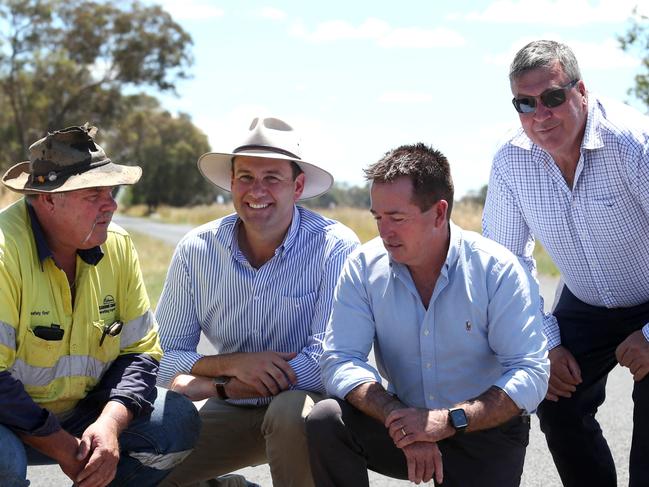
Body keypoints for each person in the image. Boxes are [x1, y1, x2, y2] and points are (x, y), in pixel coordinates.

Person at [306, 143, 549, 487]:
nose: (384, 231)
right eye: (378, 217)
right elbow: (340, 359)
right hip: (403, 424)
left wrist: (448, 420)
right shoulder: (363, 267)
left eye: (397, 218)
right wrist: (396, 415)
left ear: (439, 213)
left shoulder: (497, 270)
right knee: (326, 420)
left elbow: (530, 372)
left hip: (481, 430)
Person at [156, 116, 359, 487]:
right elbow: (163, 359)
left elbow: (327, 363)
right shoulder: (196, 250)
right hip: (229, 407)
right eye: (246, 177)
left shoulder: (335, 247)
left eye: (272, 178)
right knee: (140, 471)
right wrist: (233, 369)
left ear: (297, 186)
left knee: (289, 413)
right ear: (231, 182)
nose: (256, 190)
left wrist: (219, 381)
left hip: (307, 409)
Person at [482, 39, 649, 487]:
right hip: (586, 300)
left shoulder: (634, 143)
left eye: (553, 97)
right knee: (555, 400)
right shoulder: (510, 162)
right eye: (526, 103)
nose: (541, 114)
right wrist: (547, 344)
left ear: (581, 91)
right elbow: (505, 264)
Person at [0, 124, 200, 487]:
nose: (112, 204)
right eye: (94, 193)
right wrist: (63, 447)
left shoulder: (118, 247)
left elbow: (141, 350)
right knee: (3, 458)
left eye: (112, 190)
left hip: (83, 414)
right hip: (8, 422)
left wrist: (110, 423)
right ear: (47, 199)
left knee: (175, 422)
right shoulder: (4, 253)